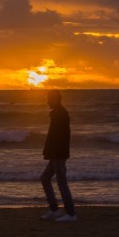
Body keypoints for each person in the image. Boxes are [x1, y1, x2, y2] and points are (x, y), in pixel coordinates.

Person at [39, 89, 77, 222]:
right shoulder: (57, 113)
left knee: (61, 182)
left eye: (49, 99)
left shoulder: (60, 114)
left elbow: (60, 137)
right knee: (45, 178)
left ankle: (71, 214)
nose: (47, 101)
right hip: (56, 153)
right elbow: (54, 136)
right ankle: (54, 209)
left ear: (55, 99)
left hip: (58, 154)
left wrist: (53, 152)